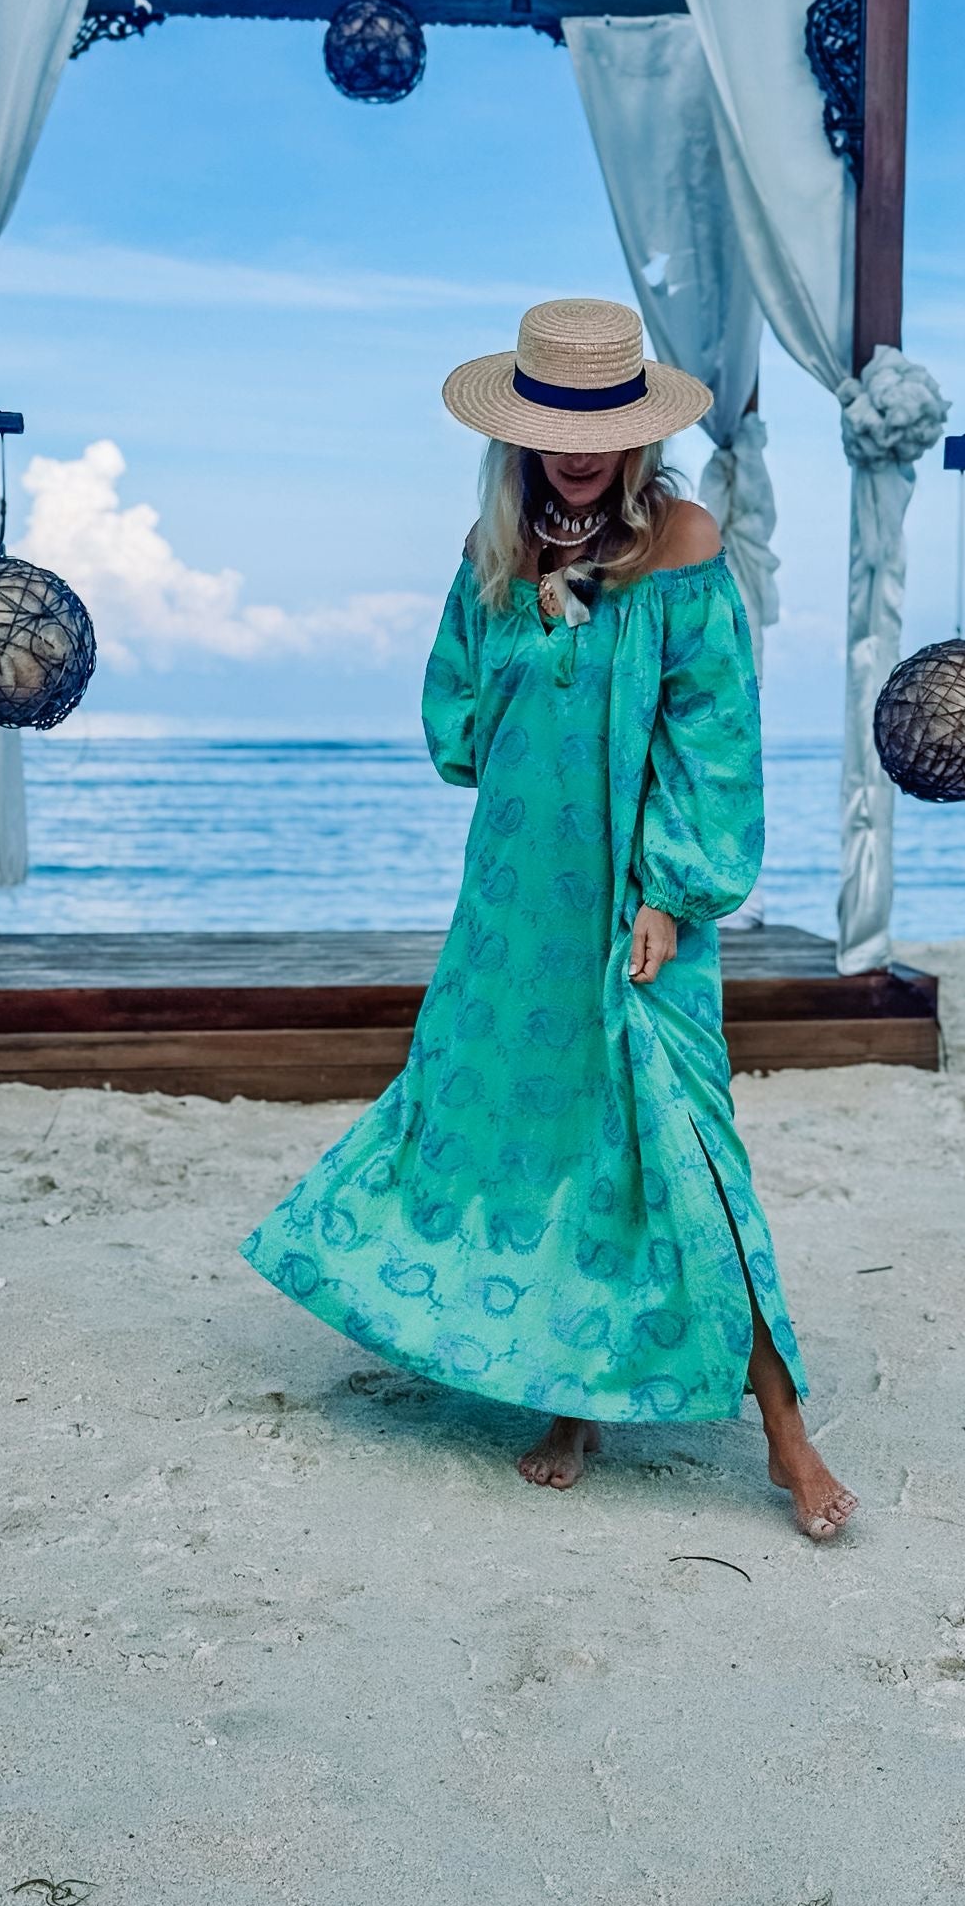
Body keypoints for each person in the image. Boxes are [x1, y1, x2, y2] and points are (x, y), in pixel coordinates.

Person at [239, 297, 857, 1543]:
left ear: (638, 430)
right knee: (534, 1148)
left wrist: (672, 890)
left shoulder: (683, 542)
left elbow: (717, 734)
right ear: (518, 432)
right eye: (554, 428)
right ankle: (568, 1398)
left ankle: (788, 1433)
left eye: (600, 427)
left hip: (639, 909)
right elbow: (454, 728)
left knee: (686, 1152)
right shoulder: (492, 554)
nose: (577, 452)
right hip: (515, 909)